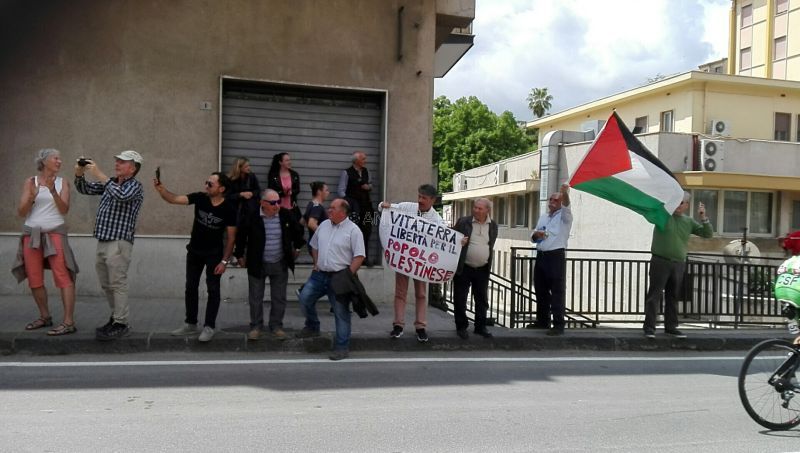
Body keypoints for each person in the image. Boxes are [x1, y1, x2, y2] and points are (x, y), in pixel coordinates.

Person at [154, 172, 237, 342]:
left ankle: (209, 326)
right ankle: (190, 324)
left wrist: (224, 261)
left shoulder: (229, 207)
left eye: (210, 184)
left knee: (213, 290)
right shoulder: (200, 198)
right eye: (206, 182)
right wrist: (162, 190)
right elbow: (174, 199)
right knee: (190, 287)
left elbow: (231, 238)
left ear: (221, 188)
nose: (206, 186)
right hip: (194, 252)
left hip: (214, 254)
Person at [75, 150, 144, 341]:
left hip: (119, 243)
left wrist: (99, 174)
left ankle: (121, 323)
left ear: (132, 168)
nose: (117, 164)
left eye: (122, 162)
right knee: (107, 285)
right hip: (104, 240)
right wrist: (79, 172)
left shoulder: (135, 186)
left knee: (117, 284)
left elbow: (120, 195)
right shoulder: (111, 183)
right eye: (117, 161)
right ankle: (116, 318)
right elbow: (84, 189)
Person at [12, 148, 78, 336]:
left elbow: (64, 209)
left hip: (55, 233)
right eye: (55, 158)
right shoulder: (30, 182)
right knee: (34, 278)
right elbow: (21, 212)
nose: (59, 161)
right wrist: (32, 196)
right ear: (44, 161)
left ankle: (68, 322)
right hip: (32, 235)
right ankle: (45, 316)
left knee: (63, 276)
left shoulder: (62, 182)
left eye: (59, 158)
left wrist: (52, 191)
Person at [296, 198, 365, 361]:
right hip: (319, 275)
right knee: (304, 298)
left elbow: (359, 256)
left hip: (340, 276)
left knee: (341, 313)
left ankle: (342, 347)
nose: (329, 210)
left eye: (333, 208)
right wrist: (316, 263)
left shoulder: (354, 230)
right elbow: (314, 246)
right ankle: (312, 326)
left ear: (343, 212)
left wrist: (348, 275)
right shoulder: (324, 225)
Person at [235, 189, 304, 341]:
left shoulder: (285, 214)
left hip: (279, 262)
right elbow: (241, 236)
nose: (277, 205)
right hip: (257, 263)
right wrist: (239, 255)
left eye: (278, 202)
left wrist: (297, 247)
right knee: (255, 297)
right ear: (263, 203)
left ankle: (276, 326)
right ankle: (256, 326)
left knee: (279, 297)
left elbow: (298, 231)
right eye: (273, 203)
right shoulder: (252, 216)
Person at [379, 184, 444, 343]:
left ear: (433, 200)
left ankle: (421, 327)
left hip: (421, 262)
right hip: (404, 257)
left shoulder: (437, 220)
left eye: (424, 198)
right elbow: (384, 207)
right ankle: (398, 325)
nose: (420, 200)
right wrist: (383, 205)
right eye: (419, 196)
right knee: (400, 292)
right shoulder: (408, 207)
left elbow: (444, 237)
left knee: (421, 294)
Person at [643, 191, 713, 339]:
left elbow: (707, 234)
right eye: (676, 201)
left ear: (687, 205)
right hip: (660, 261)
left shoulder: (688, 222)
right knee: (654, 295)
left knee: (673, 296)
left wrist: (703, 217)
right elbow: (651, 211)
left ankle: (671, 327)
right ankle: (649, 327)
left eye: (681, 202)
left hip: (678, 264)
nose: (678, 205)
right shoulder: (663, 216)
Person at [530, 183, 573, 336]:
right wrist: (537, 236)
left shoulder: (565, 217)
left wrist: (564, 193)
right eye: (551, 199)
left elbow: (567, 206)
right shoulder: (543, 217)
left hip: (555, 256)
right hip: (541, 255)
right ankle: (542, 320)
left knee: (556, 291)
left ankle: (558, 324)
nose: (552, 202)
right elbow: (533, 236)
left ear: (561, 202)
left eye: (556, 200)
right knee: (540, 290)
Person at [452, 198, 498, 339]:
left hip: (483, 268)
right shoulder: (464, 222)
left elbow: (490, 243)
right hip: (464, 266)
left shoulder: (493, 225)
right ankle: (461, 327)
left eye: (480, 208)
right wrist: (459, 241)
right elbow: (451, 238)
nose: (476, 210)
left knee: (481, 299)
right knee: (460, 298)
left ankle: (480, 326)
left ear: (487, 211)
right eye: (475, 207)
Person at [338, 151, 374, 264]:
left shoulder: (367, 171)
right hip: (354, 208)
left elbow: (371, 184)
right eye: (363, 159)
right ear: (356, 160)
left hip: (366, 206)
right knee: (353, 232)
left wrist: (368, 187)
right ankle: (351, 258)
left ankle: (365, 257)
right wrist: (348, 202)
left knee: (367, 231)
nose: (365, 161)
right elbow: (341, 190)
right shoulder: (347, 173)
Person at [227, 157, 261, 239]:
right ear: (239, 167)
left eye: (249, 166)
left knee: (251, 237)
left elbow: (258, 190)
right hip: (236, 213)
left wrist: (251, 193)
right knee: (237, 239)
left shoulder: (252, 176)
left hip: (250, 212)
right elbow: (227, 196)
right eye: (246, 166)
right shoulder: (231, 180)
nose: (249, 168)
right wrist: (241, 194)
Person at [267, 152, 300, 221]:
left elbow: (297, 189)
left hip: (292, 208)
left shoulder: (294, 175)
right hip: (278, 209)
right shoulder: (273, 175)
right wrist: (282, 193)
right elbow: (270, 192)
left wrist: (291, 192)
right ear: (280, 162)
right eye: (287, 160)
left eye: (289, 160)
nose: (290, 162)